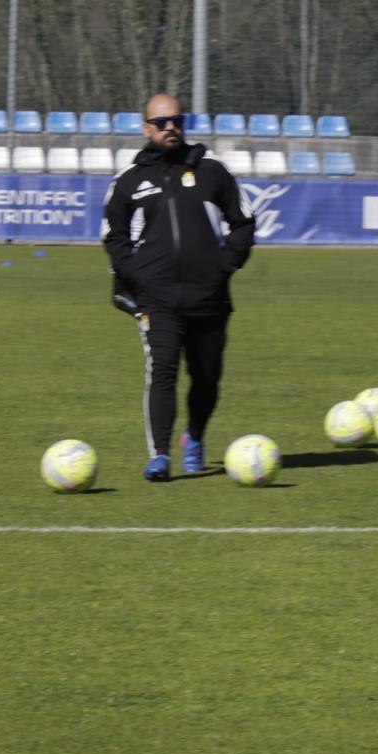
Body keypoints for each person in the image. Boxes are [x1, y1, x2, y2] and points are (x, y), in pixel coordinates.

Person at [103, 93, 256, 482]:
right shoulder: (129, 182)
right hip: (158, 300)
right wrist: (134, 276)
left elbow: (244, 221)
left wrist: (225, 264)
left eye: (177, 120)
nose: (171, 127)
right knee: (163, 373)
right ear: (146, 129)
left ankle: (197, 437)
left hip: (210, 298)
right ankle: (159, 455)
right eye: (161, 122)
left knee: (206, 378)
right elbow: (113, 236)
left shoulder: (212, 171)